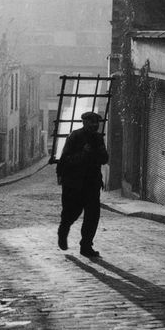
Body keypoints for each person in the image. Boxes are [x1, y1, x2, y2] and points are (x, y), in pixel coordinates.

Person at [56, 111, 109, 258]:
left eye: (96, 122)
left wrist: (99, 152)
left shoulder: (98, 139)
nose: (94, 125)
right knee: (71, 213)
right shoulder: (75, 137)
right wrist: (83, 153)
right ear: (84, 123)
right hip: (74, 184)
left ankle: (86, 246)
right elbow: (66, 160)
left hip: (92, 184)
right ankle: (63, 230)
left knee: (92, 216)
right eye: (91, 122)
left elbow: (104, 159)